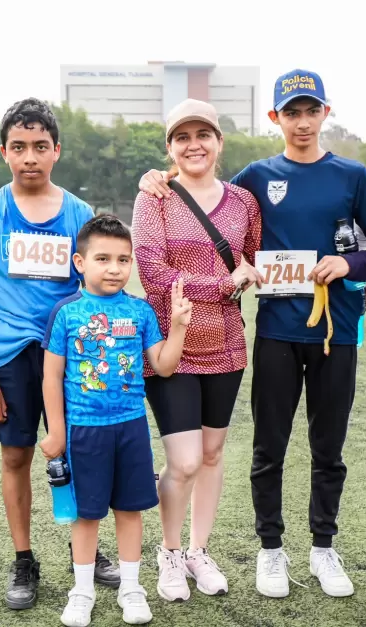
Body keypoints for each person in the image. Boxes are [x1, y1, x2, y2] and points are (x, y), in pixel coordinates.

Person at [139, 70, 366, 599]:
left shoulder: (352, 175)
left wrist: (349, 268)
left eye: (310, 110)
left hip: (335, 331)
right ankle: (270, 551)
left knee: (329, 447)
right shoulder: (255, 178)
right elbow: (212, 218)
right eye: (290, 112)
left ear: (325, 112)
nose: (301, 121)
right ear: (274, 117)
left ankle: (323, 548)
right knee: (267, 448)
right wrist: (153, 177)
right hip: (273, 332)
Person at [0, 98, 119, 610]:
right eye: (19, 147)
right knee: (16, 454)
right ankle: (24, 558)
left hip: (69, 356)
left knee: (77, 452)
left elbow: (93, 288)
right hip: (9, 355)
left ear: (56, 151)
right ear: (4, 151)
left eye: (40, 147)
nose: (30, 157)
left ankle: (83, 550)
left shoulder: (78, 214)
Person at [131, 98, 263, 602]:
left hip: (227, 345)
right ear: (170, 147)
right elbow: (155, 275)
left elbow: (253, 259)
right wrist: (223, 284)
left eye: (203, 135)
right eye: (182, 137)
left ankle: (198, 551)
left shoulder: (244, 202)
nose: (194, 145)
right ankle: (167, 553)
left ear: (218, 142)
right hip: (171, 344)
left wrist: (246, 275)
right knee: (182, 461)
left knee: (210, 455)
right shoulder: (156, 197)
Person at [40, 214, 192, 627]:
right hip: (82, 430)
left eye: (123, 260)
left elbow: (162, 365)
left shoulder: (140, 311)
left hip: (130, 427)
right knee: (86, 515)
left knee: (129, 510)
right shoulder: (66, 312)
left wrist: (177, 327)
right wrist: (55, 431)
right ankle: (82, 591)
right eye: (103, 258)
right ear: (80, 262)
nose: (114, 268)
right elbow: (51, 375)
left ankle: (131, 587)